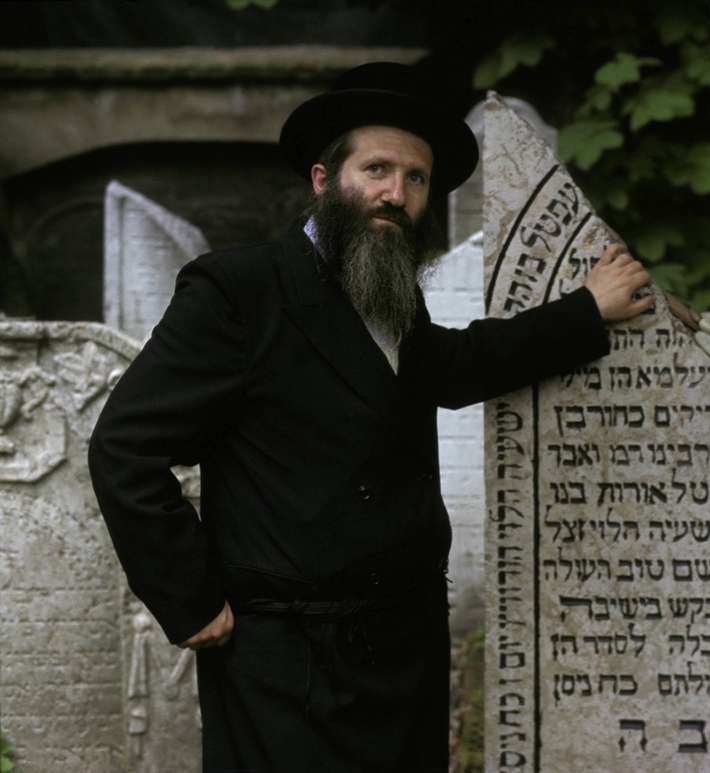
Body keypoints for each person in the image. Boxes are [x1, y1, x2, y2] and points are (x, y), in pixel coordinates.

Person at [88, 62, 652, 772]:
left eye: (415, 178)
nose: (396, 194)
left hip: (403, 648)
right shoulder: (240, 289)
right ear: (325, 180)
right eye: (377, 168)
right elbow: (123, 447)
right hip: (287, 665)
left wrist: (585, 310)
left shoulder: (385, 291)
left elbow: (454, 366)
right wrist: (190, 599)